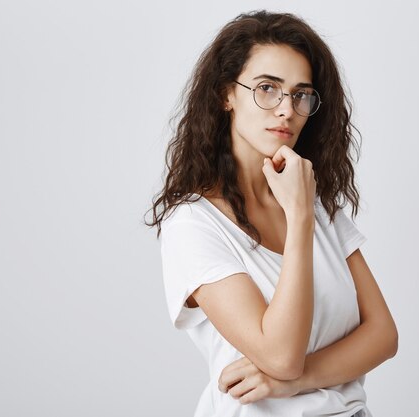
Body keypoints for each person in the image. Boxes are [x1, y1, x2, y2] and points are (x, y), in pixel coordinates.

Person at [147, 10, 398, 417]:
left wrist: (297, 381)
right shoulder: (193, 224)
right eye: (267, 88)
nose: (286, 109)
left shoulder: (316, 201)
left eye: (301, 94)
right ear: (226, 94)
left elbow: (383, 335)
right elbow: (281, 355)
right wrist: (299, 219)